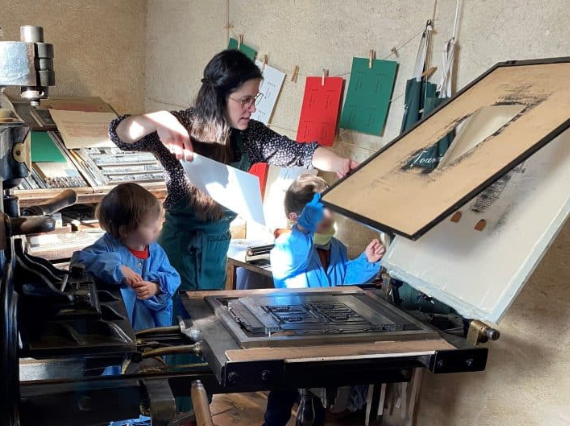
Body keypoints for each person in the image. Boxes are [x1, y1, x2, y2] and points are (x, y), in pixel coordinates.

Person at [108, 49, 359, 304]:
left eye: (254, 98)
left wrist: (340, 162)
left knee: (206, 323)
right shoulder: (180, 126)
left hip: (216, 256)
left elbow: (301, 152)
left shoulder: (250, 136)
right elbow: (120, 134)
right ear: (219, 97)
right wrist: (157, 119)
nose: (252, 107)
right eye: (245, 100)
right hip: (174, 254)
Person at [263, 174, 385, 426]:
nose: (329, 220)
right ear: (297, 218)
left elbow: (342, 277)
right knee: (282, 397)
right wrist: (306, 229)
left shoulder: (336, 247)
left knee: (316, 398)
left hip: (325, 334)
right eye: (320, 214)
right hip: (293, 335)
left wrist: (366, 262)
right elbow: (294, 257)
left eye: (331, 212)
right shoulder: (286, 247)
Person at [72, 183, 180, 331]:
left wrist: (156, 287)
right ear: (125, 231)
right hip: (116, 328)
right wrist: (117, 268)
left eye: (158, 221)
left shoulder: (156, 251)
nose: (158, 228)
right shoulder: (108, 246)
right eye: (150, 225)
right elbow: (80, 261)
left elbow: (173, 277)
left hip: (150, 328)